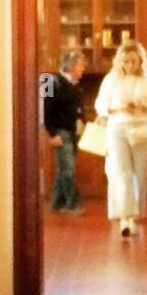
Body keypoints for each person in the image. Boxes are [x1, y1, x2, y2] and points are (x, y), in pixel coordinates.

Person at [94, 40, 147, 237]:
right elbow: (100, 105)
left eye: (134, 61)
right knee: (121, 173)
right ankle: (125, 217)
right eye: (127, 62)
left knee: (140, 174)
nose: (131, 66)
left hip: (142, 129)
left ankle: (136, 213)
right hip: (118, 128)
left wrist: (143, 107)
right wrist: (116, 108)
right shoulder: (111, 80)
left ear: (141, 61)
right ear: (120, 62)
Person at [43, 49, 86, 214]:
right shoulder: (49, 80)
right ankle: (74, 204)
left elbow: (78, 110)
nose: (83, 69)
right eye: (81, 65)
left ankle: (56, 203)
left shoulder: (76, 85)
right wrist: (52, 134)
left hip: (74, 132)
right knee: (68, 169)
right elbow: (44, 110)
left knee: (64, 169)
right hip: (61, 132)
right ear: (71, 66)